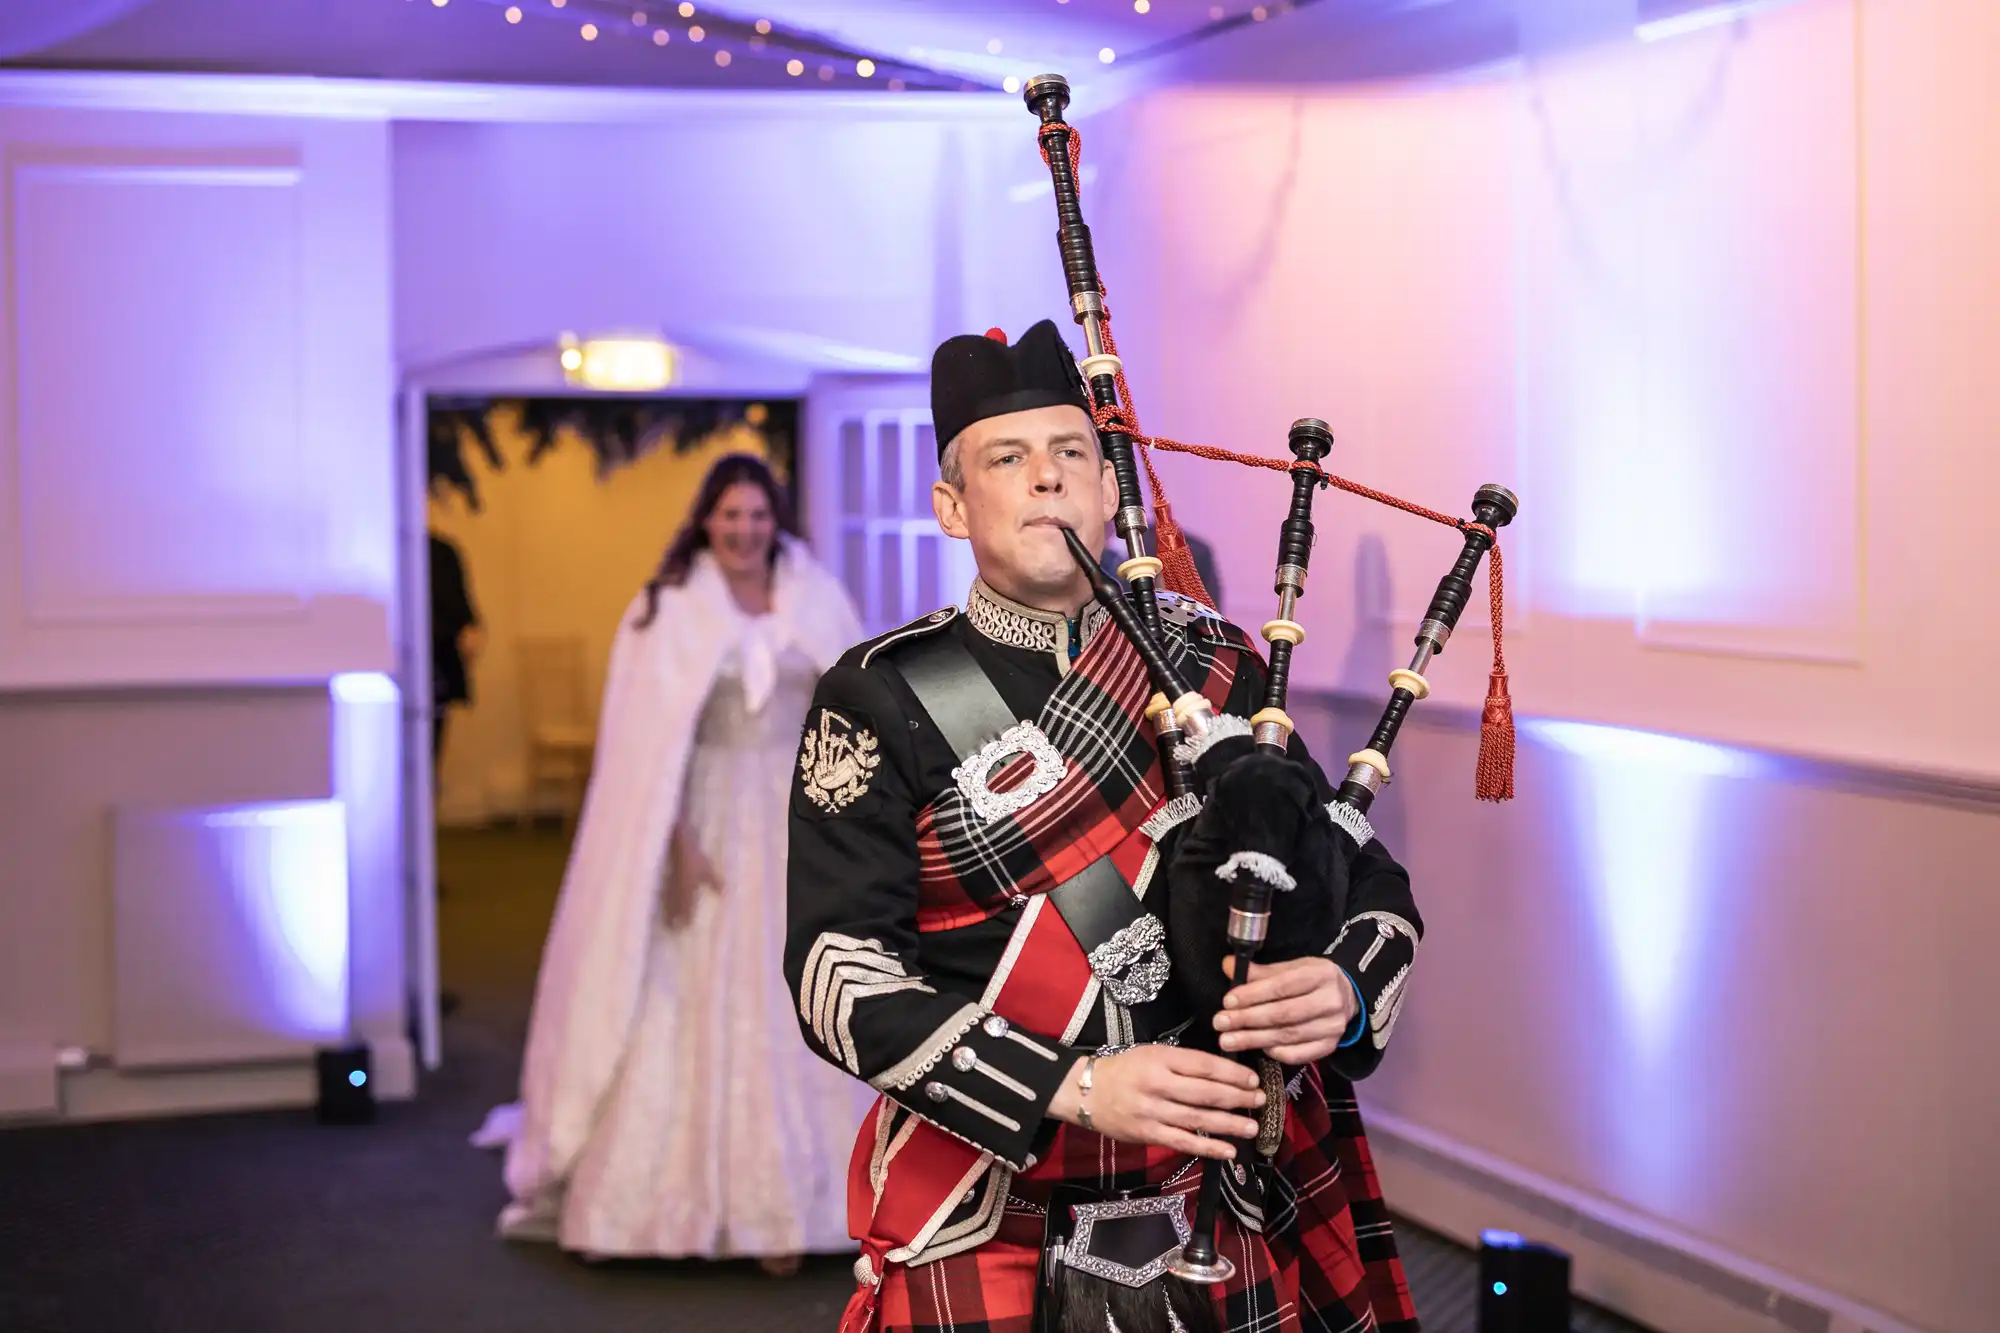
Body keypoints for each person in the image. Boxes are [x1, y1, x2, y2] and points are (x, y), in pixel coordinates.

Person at [785, 323, 1423, 1332]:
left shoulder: (1216, 659)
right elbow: (837, 977)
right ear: (953, 508)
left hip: (1222, 1189)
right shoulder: (879, 695)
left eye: (1070, 452)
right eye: (1007, 458)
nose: (1046, 478)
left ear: (1107, 488)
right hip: (995, 1207)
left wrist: (1342, 988)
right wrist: (1074, 1083)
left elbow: (1363, 877)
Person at [489, 453, 875, 1273]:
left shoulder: (815, 594)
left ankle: (795, 1205)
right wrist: (676, 844)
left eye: (758, 516)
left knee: (799, 988)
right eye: (730, 516)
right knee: (694, 988)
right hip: (701, 813)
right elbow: (642, 749)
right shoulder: (667, 609)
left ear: (777, 521)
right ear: (707, 519)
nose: (744, 530)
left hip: (791, 817)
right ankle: (684, 1206)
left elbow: (850, 711)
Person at [429, 530, 483, 769]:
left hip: (436, 672)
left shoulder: (441, 553)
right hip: (401, 673)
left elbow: (466, 620)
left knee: (429, 757)